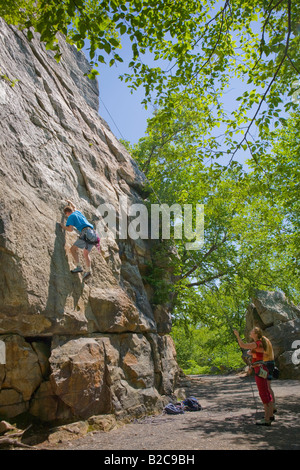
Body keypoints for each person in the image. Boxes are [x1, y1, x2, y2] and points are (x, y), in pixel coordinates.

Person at [233, 327, 274, 426]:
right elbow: (256, 354)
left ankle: (267, 419)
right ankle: (270, 415)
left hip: (259, 370)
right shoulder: (259, 343)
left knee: (263, 393)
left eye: (252, 331)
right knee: (266, 392)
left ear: (256, 334)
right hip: (261, 368)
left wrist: (237, 336)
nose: (250, 332)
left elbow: (242, 345)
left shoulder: (257, 343)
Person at [60, 200, 98, 280]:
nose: (67, 216)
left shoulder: (70, 217)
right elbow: (75, 207)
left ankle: (78, 267)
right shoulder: (77, 212)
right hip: (94, 234)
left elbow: (70, 229)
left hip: (86, 233)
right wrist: (70, 202)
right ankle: (88, 271)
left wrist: (62, 226)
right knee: (85, 253)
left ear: (67, 213)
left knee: (73, 249)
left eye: (66, 215)